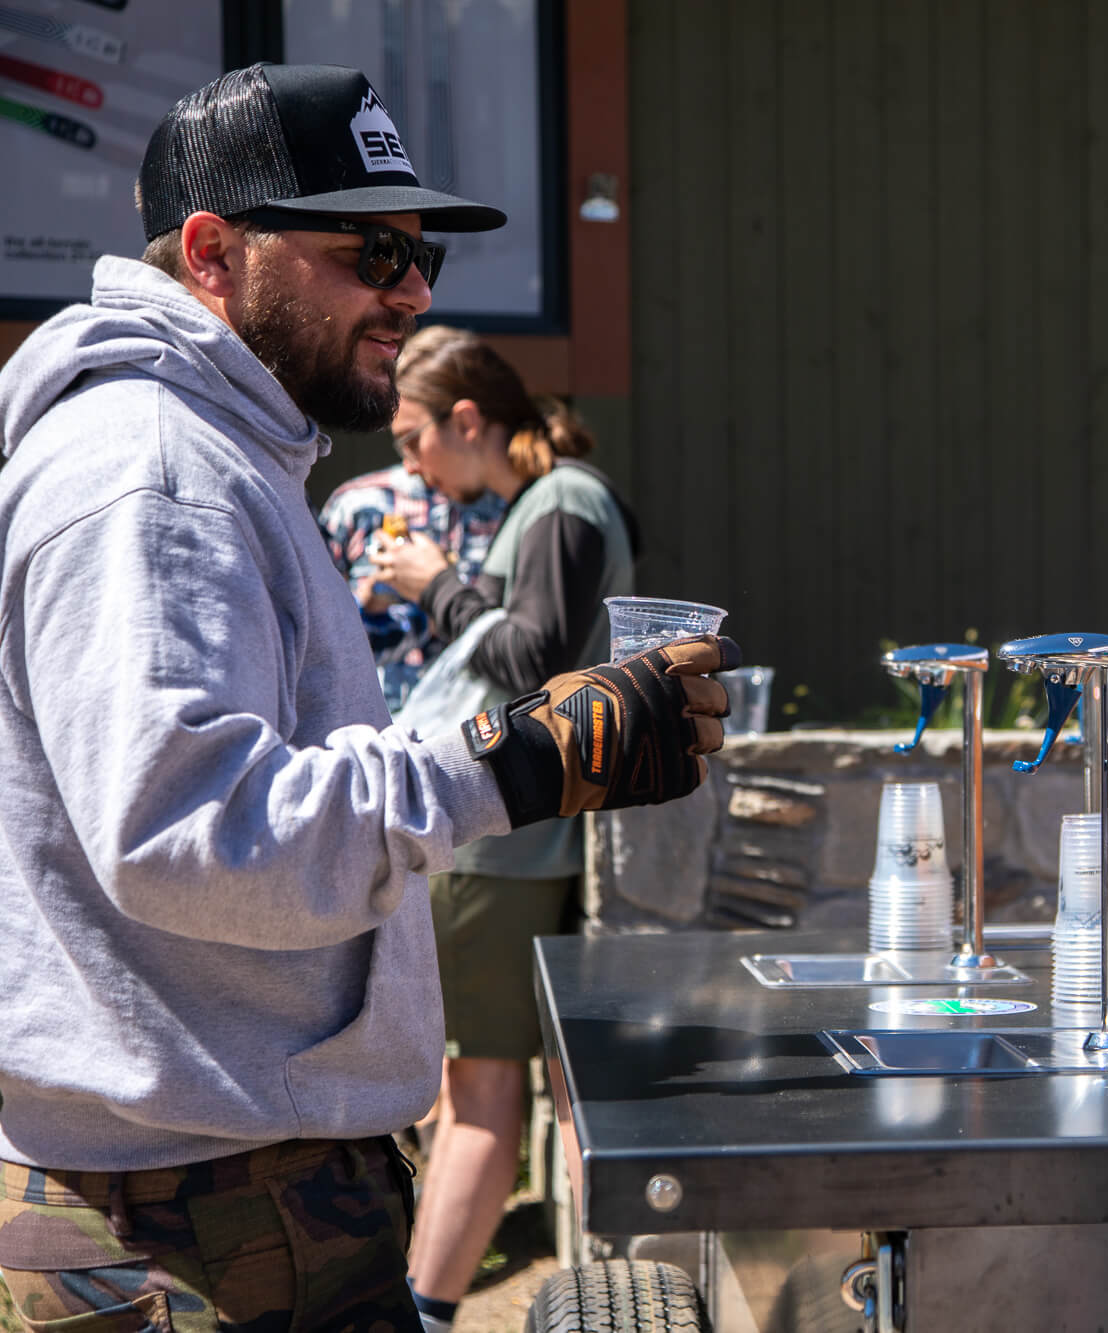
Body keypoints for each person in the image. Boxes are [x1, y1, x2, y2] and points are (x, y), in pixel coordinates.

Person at [0, 64, 732, 1328]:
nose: (416, 287)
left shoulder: (218, 449)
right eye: (374, 249)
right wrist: (519, 761)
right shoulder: (158, 467)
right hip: (188, 1222)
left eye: (423, 250)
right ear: (214, 254)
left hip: (216, 1189)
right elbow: (190, 831)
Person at [366, 326, 638, 1332]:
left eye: (411, 439)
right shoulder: (544, 505)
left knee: (481, 1088)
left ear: (466, 421)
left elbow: (538, 665)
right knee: (478, 1082)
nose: (410, 465)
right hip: (509, 839)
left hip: (506, 842)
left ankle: (425, 1311)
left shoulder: (563, 501)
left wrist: (435, 582)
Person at [319, 457, 506, 712]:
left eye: (415, 439)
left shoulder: (508, 503)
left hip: (476, 722)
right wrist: (368, 607)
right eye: (403, 443)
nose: (410, 464)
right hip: (376, 725)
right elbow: (319, 643)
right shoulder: (361, 501)